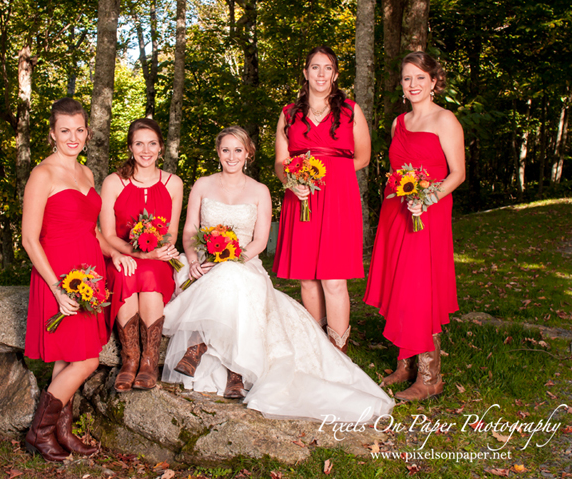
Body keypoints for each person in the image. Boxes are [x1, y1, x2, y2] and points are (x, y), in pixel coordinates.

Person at [162, 126, 393, 423]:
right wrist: (194, 260)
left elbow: (258, 242)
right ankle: (228, 367)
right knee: (222, 278)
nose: (231, 156)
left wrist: (231, 258)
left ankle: (218, 359)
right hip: (204, 261)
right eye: (225, 150)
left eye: (238, 150)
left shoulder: (260, 190)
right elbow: (191, 229)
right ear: (218, 153)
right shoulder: (203, 185)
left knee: (233, 276)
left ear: (248, 154)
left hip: (243, 261)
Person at [22, 98, 133, 462]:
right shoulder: (43, 174)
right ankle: (39, 432)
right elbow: (29, 238)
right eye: (65, 130)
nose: (73, 137)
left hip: (90, 274)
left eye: (79, 130)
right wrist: (56, 288)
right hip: (59, 277)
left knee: (68, 358)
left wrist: (112, 253)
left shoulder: (86, 174)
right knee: (86, 360)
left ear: (87, 132)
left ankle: (62, 432)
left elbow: (92, 231)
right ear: (52, 133)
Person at [364, 52, 465, 402]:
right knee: (400, 284)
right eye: (407, 78)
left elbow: (458, 173)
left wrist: (429, 198)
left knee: (421, 286)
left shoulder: (446, 120)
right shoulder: (398, 123)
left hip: (429, 213)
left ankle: (430, 375)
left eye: (420, 77)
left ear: (434, 81)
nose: (413, 84)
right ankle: (405, 364)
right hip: (397, 211)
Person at [272, 46, 371, 353]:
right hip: (300, 197)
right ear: (305, 72)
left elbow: (363, 157)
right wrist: (293, 180)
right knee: (306, 278)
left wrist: (330, 175)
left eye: (327, 68)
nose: (321, 74)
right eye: (315, 67)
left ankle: (338, 353)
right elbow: (279, 161)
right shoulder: (289, 113)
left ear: (336, 75)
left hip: (339, 199)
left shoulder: (351, 111)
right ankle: (316, 349)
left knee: (333, 278)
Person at [100, 118, 183, 392]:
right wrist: (134, 252)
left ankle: (149, 360)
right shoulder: (113, 182)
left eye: (152, 144)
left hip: (157, 257)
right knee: (127, 272)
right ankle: (130, 358)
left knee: (148, 273)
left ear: (161, 148)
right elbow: (109, 234)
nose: (145, 150)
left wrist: (163, 249)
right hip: (123, 254)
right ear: (130, 147)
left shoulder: (173, 183)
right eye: (139, 144)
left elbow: (170, 232)